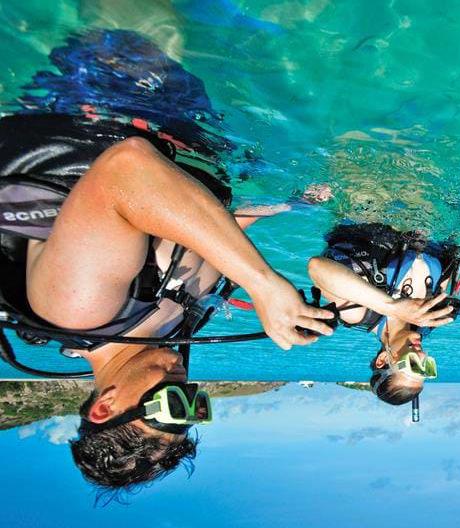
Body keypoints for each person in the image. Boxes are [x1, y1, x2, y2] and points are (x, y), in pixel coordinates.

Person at [0, 30, 352, 498]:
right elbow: (202, 234)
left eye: (170, 404)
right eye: (193, 404)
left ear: (104, 407)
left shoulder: (78, 311)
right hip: (186, 127)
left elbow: (125, 169)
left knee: (147, 18)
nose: (186, 387)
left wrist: (262, 283)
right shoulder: (171, 331)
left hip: (107, 97)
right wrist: (289, 205)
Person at [308, 223, 460, 405]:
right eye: (426, 365)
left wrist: (391, 306)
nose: (422, 355)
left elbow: (317, 267)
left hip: (368, 210)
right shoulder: (430, 316)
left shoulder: (359, 313)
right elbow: (453, 262)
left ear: (382, 360)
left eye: (412, 364)